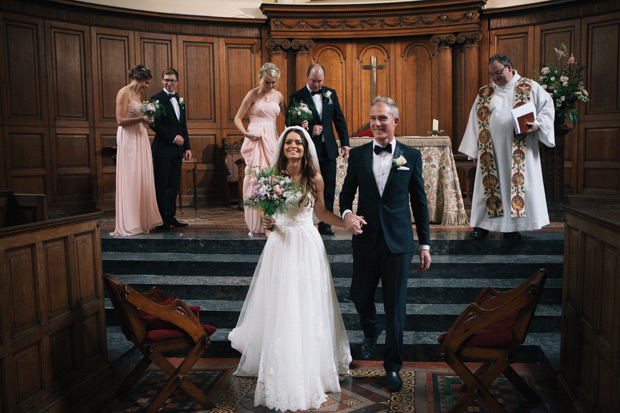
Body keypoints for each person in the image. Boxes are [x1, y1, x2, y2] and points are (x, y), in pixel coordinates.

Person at [229, 126, 365, 412]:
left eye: (298, 142)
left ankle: (311, 367)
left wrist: (346, 224)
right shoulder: (272, 177)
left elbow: (322, 213)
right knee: (282, 307)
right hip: (280, 246)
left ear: (305, 147)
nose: (293, 146)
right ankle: (283, 366)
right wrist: (268, 224)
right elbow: (268, 216)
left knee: (308, 305)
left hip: (307, 244)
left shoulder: (314, 177)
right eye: (289, 142)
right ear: (283, 147)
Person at [340, 96, 432, 392]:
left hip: (399, 242)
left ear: (395, 121)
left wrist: (425, 245)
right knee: (358, 293)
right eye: (372, 119)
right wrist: (347, 214)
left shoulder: (412, 156)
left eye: (382, 118)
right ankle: (371, 326)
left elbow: (419, 203)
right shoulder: (357, 155)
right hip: (365, 239)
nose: (377, 124)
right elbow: (345, 195)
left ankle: (392, 367)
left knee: (396, 307)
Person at [459, 54, 555, 240]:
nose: (495, 78)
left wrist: (538, 125)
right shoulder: (485, 92)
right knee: (486, 189)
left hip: (520, 150)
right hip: (491, 151)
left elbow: (547, 108)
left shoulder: (529, 87)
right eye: (492, 75)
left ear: (509, 67)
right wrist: (474, 148)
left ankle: (512, 228)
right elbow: (474, 120)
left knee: (516, 189)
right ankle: (481, 226)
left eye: (498, 73)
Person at [287, 63, 350, 235]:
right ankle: (303, 222)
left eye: (320, 82)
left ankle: (325, 224)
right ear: (307, 78)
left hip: (328, 149)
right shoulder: (296, 96)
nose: (317, 85)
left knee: (329, 187)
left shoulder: (331, 94)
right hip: (306, 150)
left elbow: (339, 119)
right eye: (314, 81)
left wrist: (345, 142)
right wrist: (309, 128)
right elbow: (289, 124)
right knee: (303, 186)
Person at [234, 62, 287, 236]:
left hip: (272, 138)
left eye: (273, 82)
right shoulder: (252, 94)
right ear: (260, 79)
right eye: (267, 82)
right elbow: (237, 118)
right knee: (255, 178)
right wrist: (246, 134)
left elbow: (289, 119)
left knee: (273, 178)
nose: (270, 86)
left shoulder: (279, 96)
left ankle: (271, 222)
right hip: (255, 139)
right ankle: (255, 223)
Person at [111, 65, 163, 236]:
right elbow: (120, 120)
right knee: (131, 175)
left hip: (140, 136)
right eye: (146, 82)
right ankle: (130, 222)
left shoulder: (139, 94)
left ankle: (141, 221)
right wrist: (142, 118)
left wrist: (146, 121)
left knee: (142, 176)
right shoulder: (123, 92)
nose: (147, 86)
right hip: (128, 138)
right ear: (138, 79)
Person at [150, 67, 191, 230]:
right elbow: (154, 124)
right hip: (162, 149)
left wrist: (187, 146)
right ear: (162, 81)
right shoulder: (155, 99)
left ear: (177, 82)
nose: (169, 83)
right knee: (162, 184)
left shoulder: (180, 100)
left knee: (173, 184)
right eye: (166, 80)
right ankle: (161, 219)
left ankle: (170, 216)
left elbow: (183, 125)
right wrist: (173, 138)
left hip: (177, 151)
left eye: (172, 80)